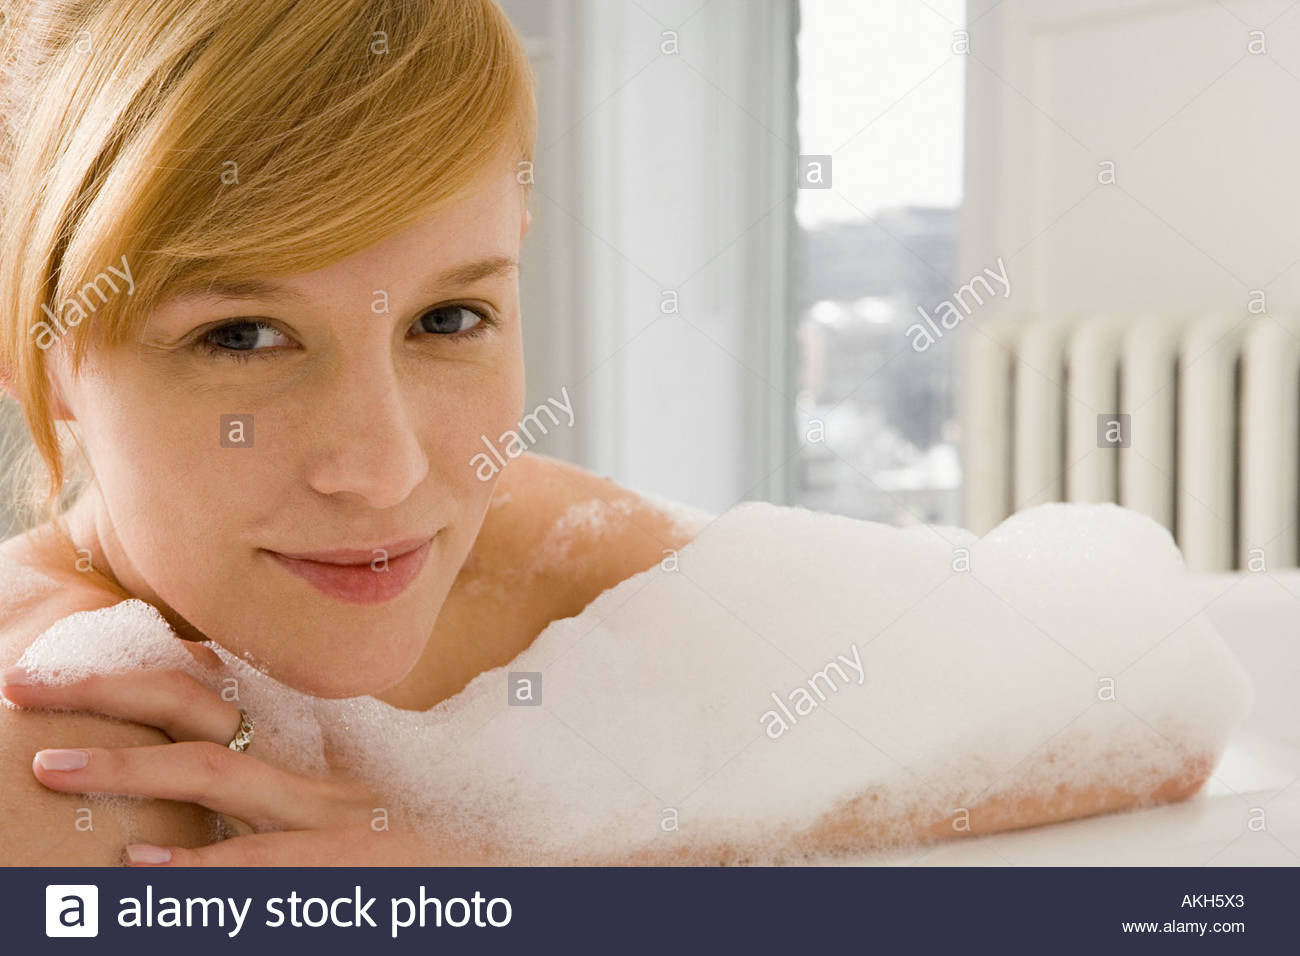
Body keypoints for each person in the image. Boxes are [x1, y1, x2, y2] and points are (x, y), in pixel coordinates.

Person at [0, 0, 1211, 866]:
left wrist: (500, 869)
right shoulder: (63, 746)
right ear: (43, 356)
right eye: (242, 336)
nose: (386, 468)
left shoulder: (530, 554)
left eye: (448, 317)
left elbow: (1147, 714)